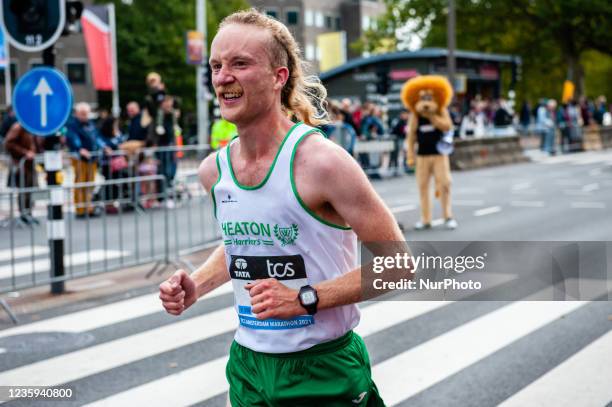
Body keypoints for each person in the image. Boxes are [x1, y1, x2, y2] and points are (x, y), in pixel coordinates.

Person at [158, 9, 405, 406]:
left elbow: (398, 265)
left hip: (323, 367)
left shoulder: (324, 163)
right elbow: (246, 242)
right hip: (249, 367)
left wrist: (305, 297)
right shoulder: (213, 171)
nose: (223, 78)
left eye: (240, 63)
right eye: (216, 66)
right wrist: (197, 286)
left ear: (279, 77)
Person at [66, 102, 111, 217]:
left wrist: (104, 146)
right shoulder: (73, 125)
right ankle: (80, 209)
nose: (85, 116)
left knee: (90, 183)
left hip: (92, 157)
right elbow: (72, 137)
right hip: (80, 158)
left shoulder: (91, 124)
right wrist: (79, 148)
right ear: (76, 113)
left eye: (86, 114)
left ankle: (88, 207)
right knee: (80, 182)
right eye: (82, 114)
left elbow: (97, 137)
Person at [3, 122, 39, 225]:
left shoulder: (30, 126)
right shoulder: (18, 127)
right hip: (21, 165)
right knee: (24, 190)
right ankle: (24, 214)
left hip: (30, 164)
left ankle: (28, 213)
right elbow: (8, 143)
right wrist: (25, 153)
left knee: (30, 189)